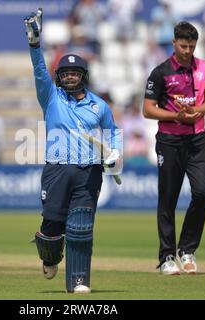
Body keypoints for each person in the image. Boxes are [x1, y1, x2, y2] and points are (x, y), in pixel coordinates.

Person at [24, 8, 121, 293]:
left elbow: (113, 133)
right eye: (64, 74)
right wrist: (34, 45)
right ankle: (50, 256)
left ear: (83, 76)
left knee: (80, 228)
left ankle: (79, 281)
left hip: (88, 172)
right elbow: (39, 71)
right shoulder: (51, 97)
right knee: (52, 226)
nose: (69, 78)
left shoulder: (99, 105)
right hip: (56, 170)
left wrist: (116, 156)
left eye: (74, 73)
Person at [143, 21, 205, 275]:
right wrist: (176, 116)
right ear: (174, 42)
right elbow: (148, 109)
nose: (187, 51)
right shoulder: (160, 72)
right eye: (183, 45)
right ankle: (166, 257)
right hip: (169, 141)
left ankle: (186, 250)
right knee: (168, 199)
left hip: (197, 140)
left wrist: (197, 111)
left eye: (192, 46)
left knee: (204, 193)